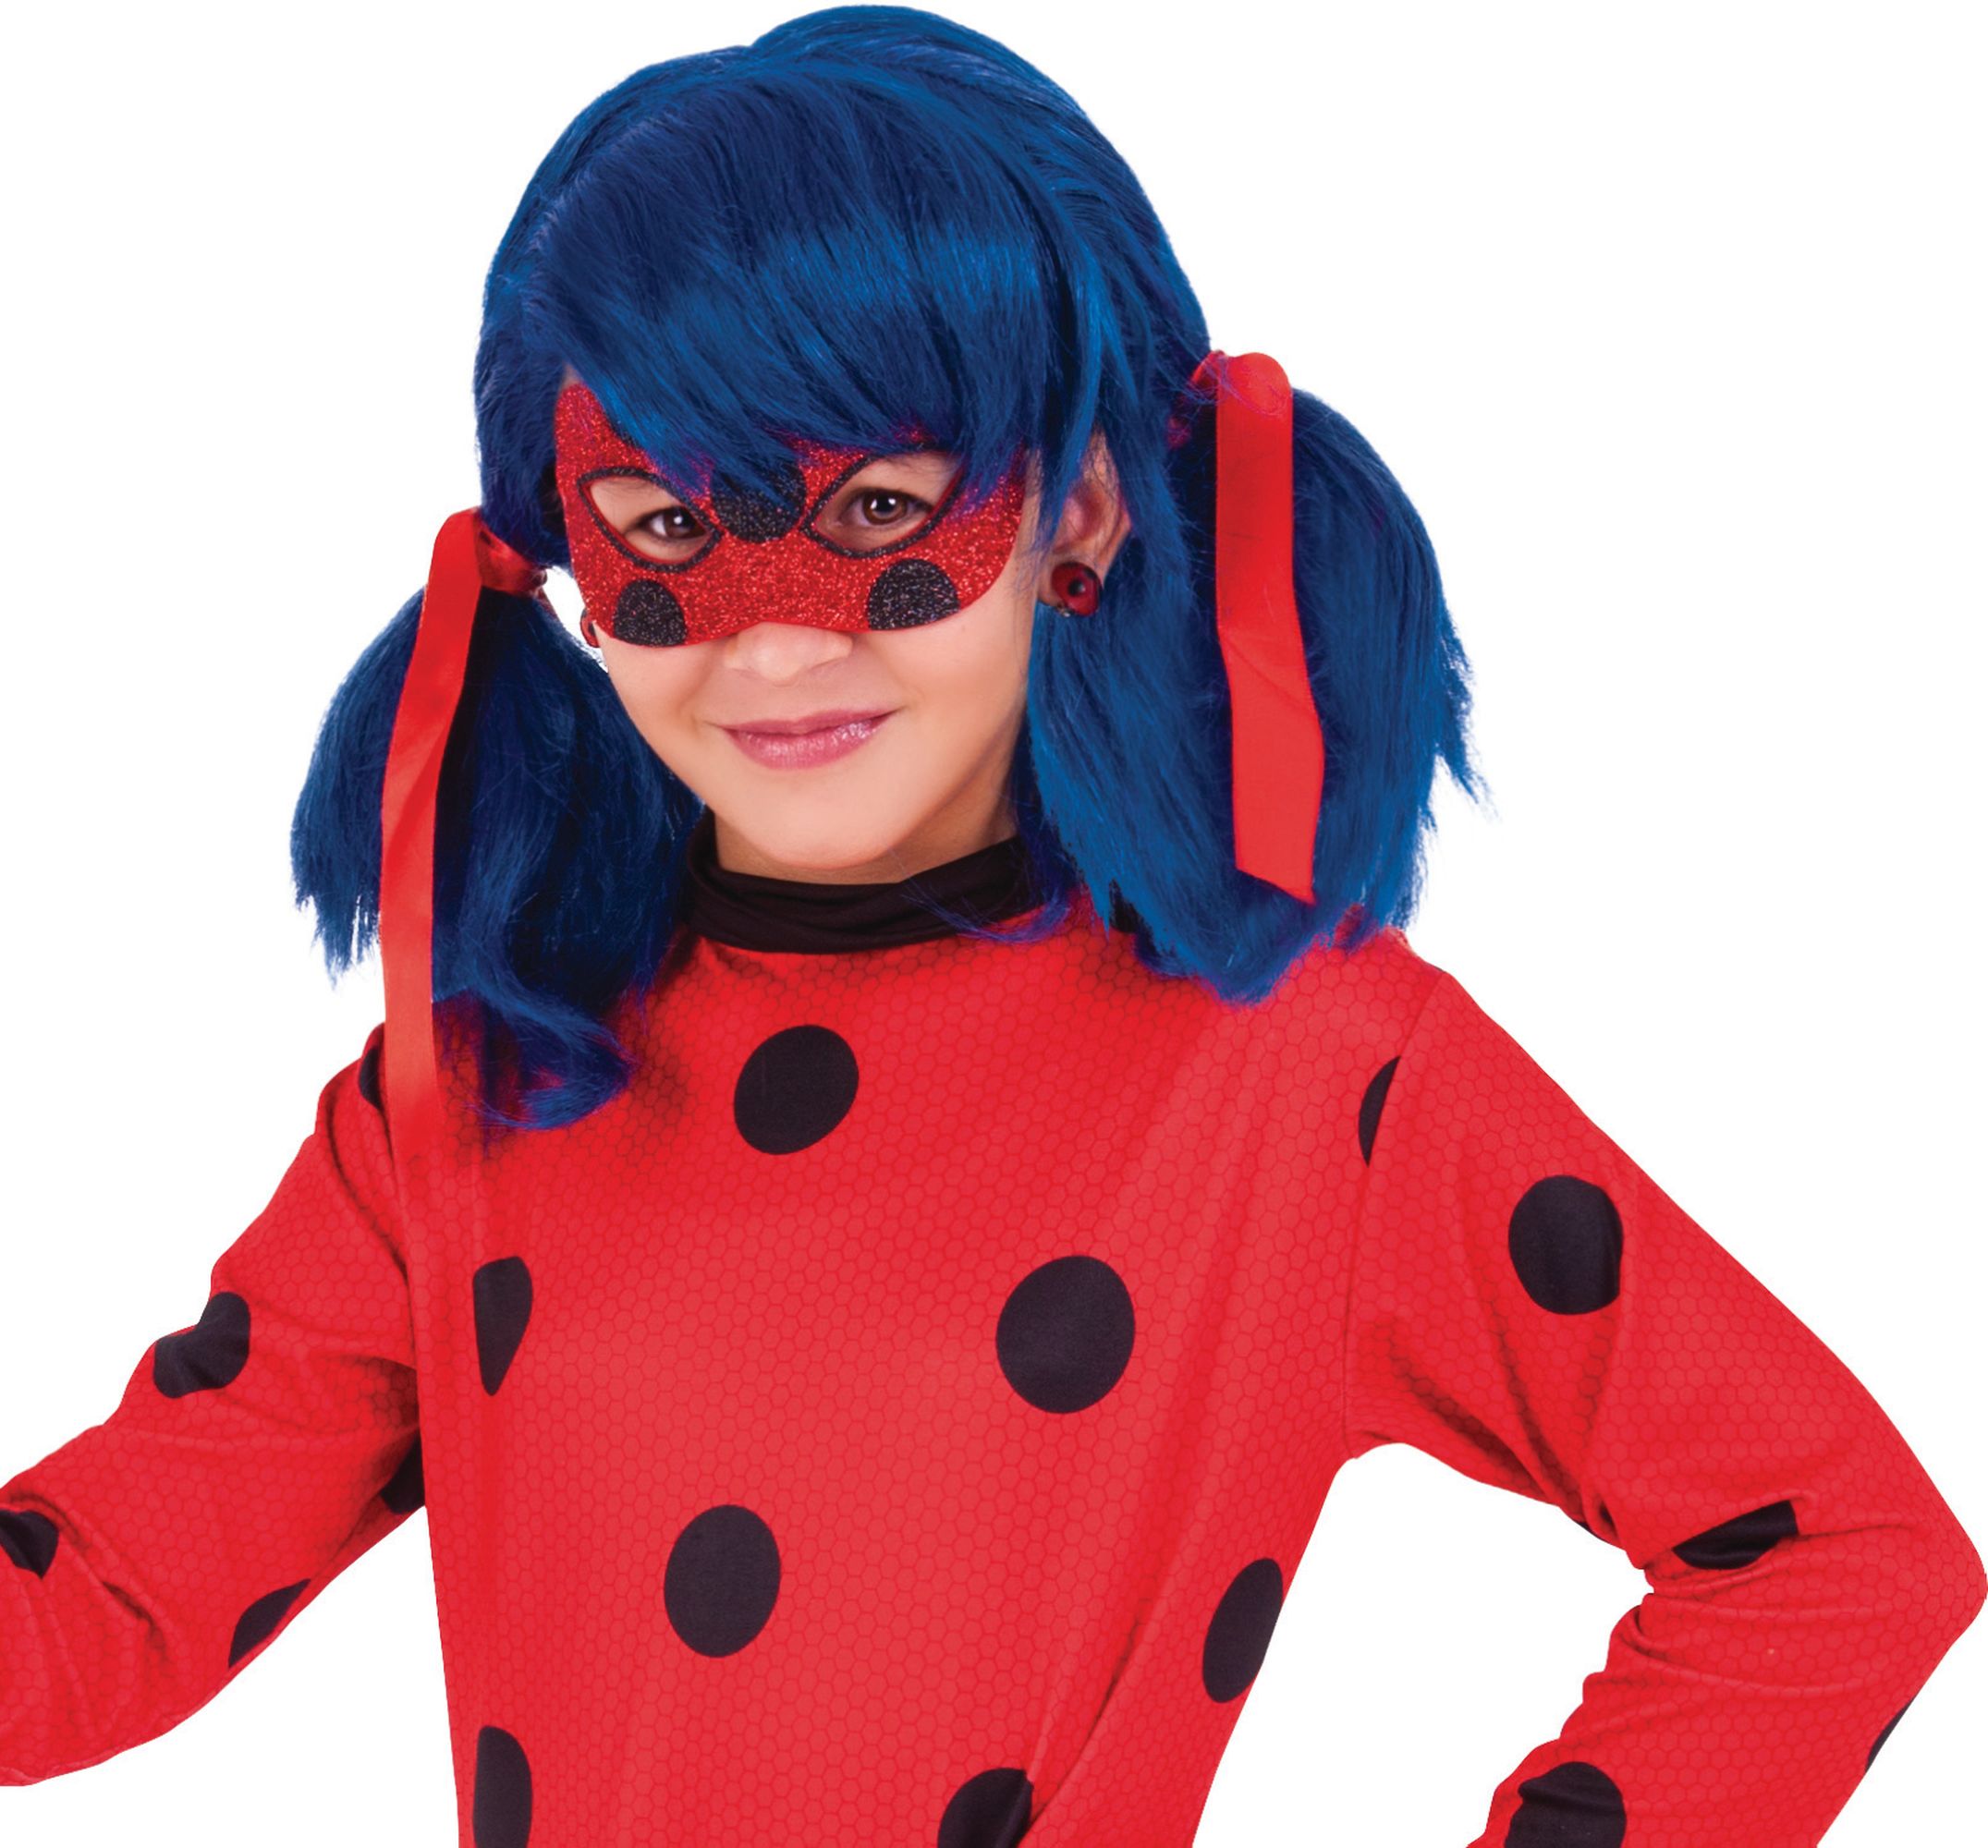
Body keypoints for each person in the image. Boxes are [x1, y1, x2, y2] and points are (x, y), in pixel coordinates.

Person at [3, 7, 1980, 1844]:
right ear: (564, 563)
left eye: (876, 513)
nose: (776, 643)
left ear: (1087, 507)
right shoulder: (484, 1080)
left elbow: (1832, 1545)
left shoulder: (1301, 1069)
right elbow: (107, 1599)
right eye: (668, 529)